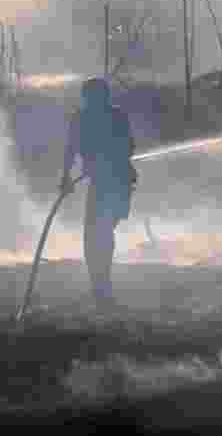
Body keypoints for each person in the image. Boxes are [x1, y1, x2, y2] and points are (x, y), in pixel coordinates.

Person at [59, 77, 137, 311]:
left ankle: (102, 287)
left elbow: (128, 147)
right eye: (91, 98)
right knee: (96, 235)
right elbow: (71, 148)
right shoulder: (81, 119)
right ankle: (100, 287)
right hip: (103, 183)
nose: (94, 102)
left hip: (118, 182)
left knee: (100, 233)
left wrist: (105, 159)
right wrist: (65, 177)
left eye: (98, 97)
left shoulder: (115, 116)